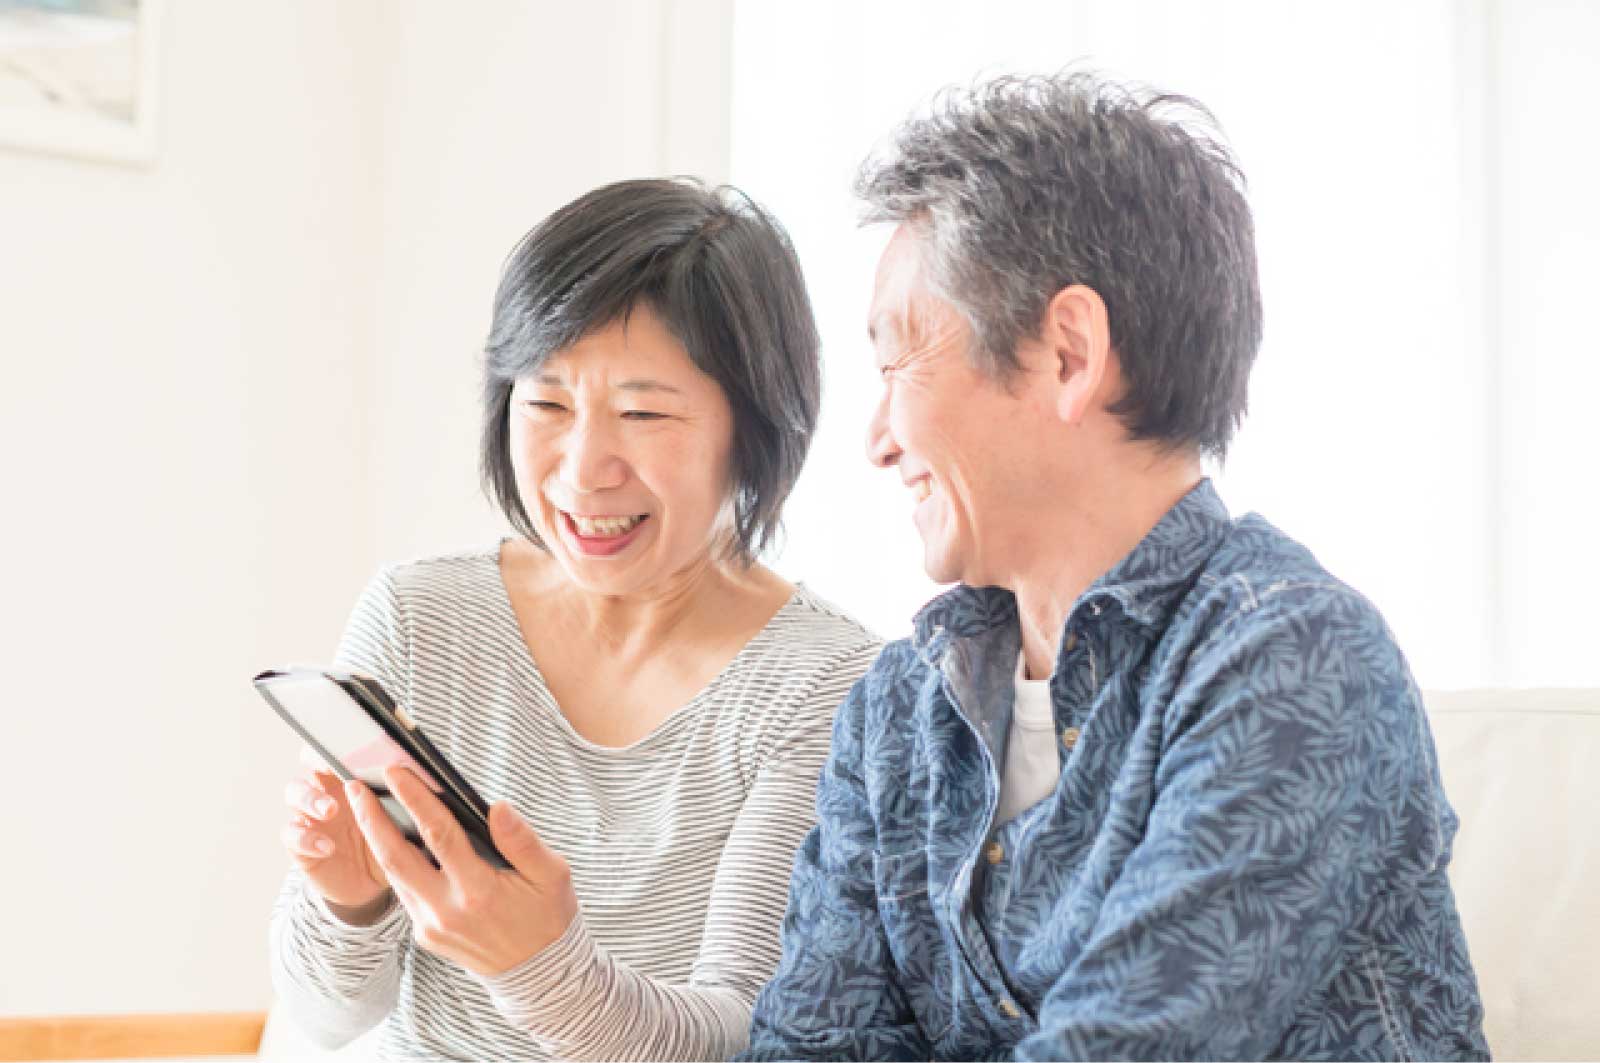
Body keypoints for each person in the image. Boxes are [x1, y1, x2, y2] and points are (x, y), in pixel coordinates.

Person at [742, 73, 1488, 1061]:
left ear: (1068, 353)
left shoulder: (1296, 656)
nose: (878, 439)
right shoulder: (897, 714)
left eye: (898, 363)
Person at [269, 179, 881, 1061]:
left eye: (643, 413)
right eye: (547, 404)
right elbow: (323, 1019)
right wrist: (349, 899)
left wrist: (542, 966)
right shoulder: (417, 617)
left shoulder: (827, 683)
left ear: (752, 428)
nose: (584, 468)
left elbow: (744, 1037)